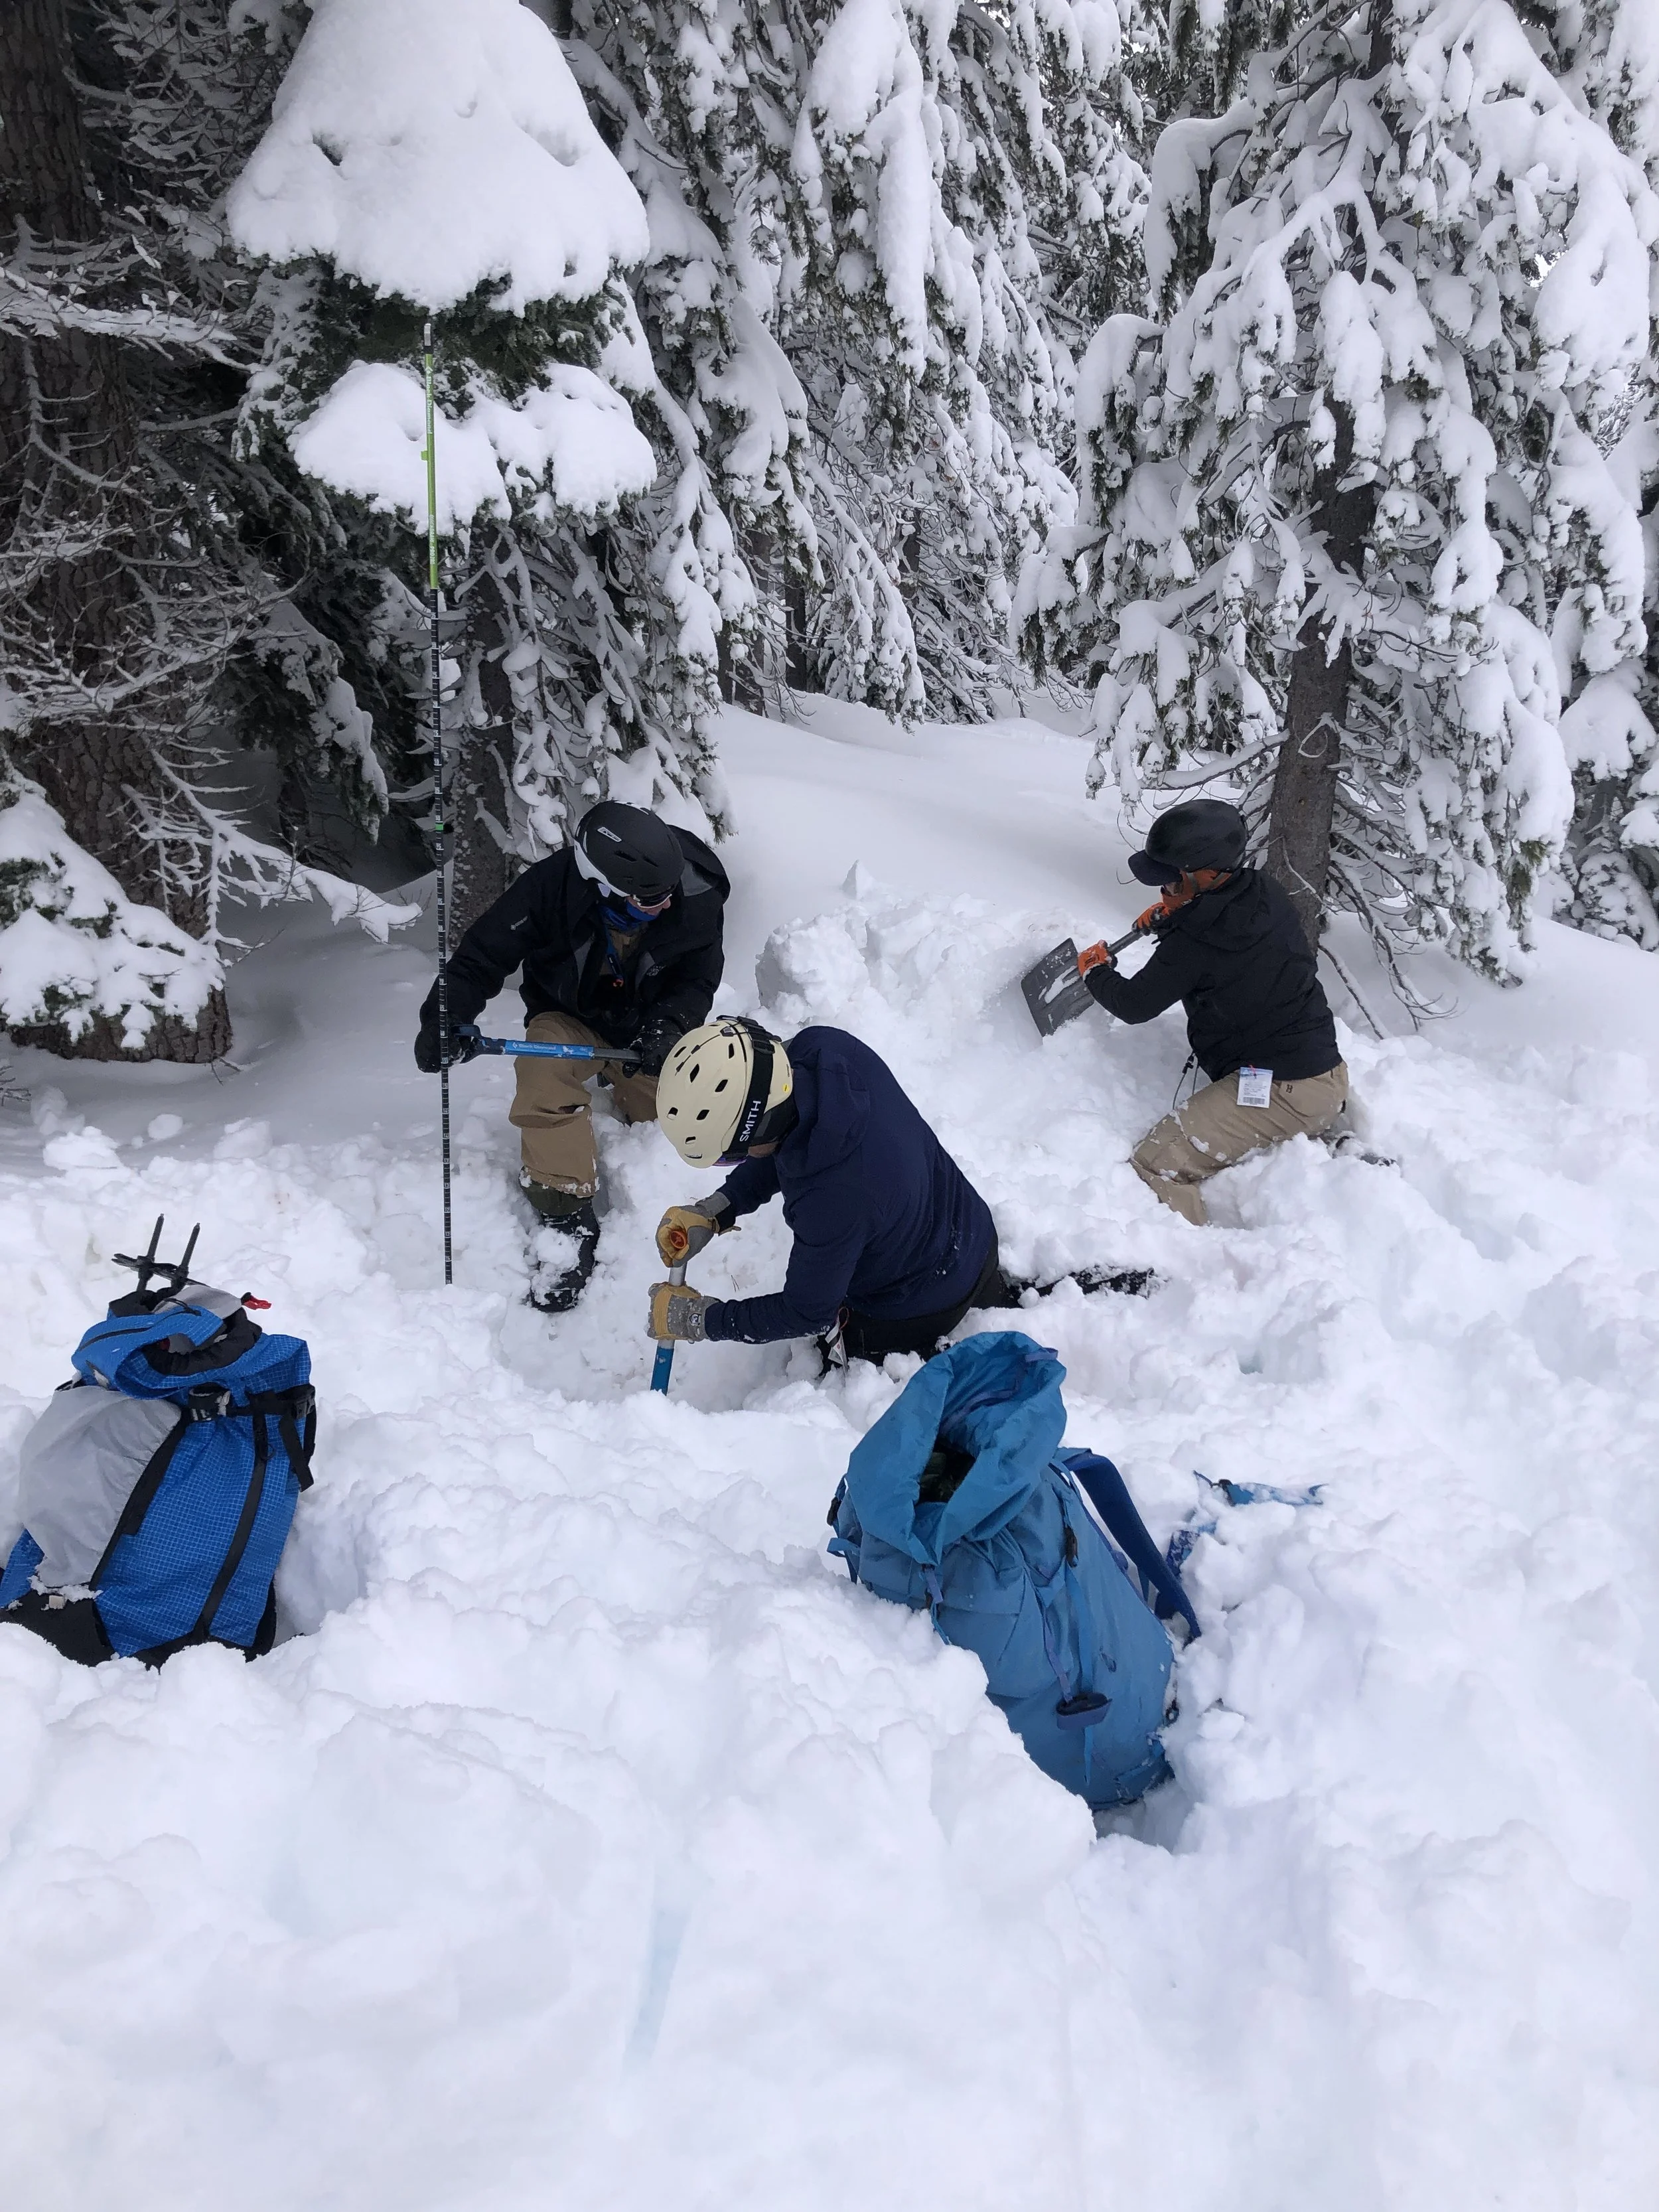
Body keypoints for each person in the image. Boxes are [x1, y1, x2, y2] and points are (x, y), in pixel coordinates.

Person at [415, 801, 729, 1308]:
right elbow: (481, 957)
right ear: (605, 887)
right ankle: (565, 1219)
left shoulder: (693, 893)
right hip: (570, 1019)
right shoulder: (550, 889)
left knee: (672, 1116)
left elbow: (698, 978)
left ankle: (665, 1184)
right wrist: (443, 1016)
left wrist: (671, 1026)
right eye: (650, 899)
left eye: (667, 891)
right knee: (544, 1073)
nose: (666, 904)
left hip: (648, 1028)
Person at [645, 1018, 1011, 1363]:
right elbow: (788, 1137)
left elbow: (806, 1313)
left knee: (832, 1361)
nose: (733, 1162)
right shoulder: (821, 1050)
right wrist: (719, 1208)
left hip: (920, 1303)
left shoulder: (835, 1202)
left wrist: (699, 1319)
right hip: (972, 1228)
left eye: (729, 1156)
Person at [1077, 798, 1347, 1225]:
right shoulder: (1263, 891)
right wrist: (1173, 914)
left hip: (1284, 1091)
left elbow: (1133, 1005)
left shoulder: (1195, 944)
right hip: (1323, 1074)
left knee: (1157, 1164)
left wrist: (1096, 972)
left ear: (1206, 875)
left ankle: (1195, 1266)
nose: (1161, 891)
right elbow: (1220, 930)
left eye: (1169, 882)